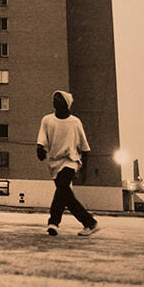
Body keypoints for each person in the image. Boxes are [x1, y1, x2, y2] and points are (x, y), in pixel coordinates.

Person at [37, 90, 99, 236]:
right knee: (66, 196)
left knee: (63, 187)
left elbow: (85, 148)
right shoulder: (47, 120)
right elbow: (42, 139)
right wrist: (39, 148)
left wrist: (84, 171)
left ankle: (53, 222)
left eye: (59, 97)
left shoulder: (75, 122)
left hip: (71, 160)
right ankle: (90, 223)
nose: (55, 99)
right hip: (54, 163)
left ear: (67, 103)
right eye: (54, 97)